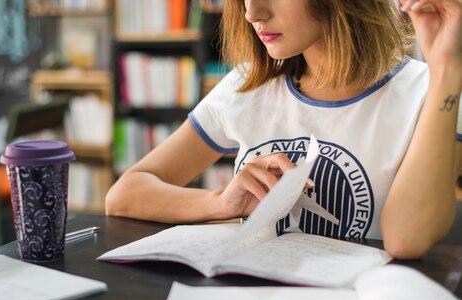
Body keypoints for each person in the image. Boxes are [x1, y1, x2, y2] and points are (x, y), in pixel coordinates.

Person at [106, 0, 462, 259]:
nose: (251, 13)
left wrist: (446, 70)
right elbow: (124, 195)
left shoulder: (432, 95)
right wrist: (219, 202)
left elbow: (406, 240)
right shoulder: (245, 86)